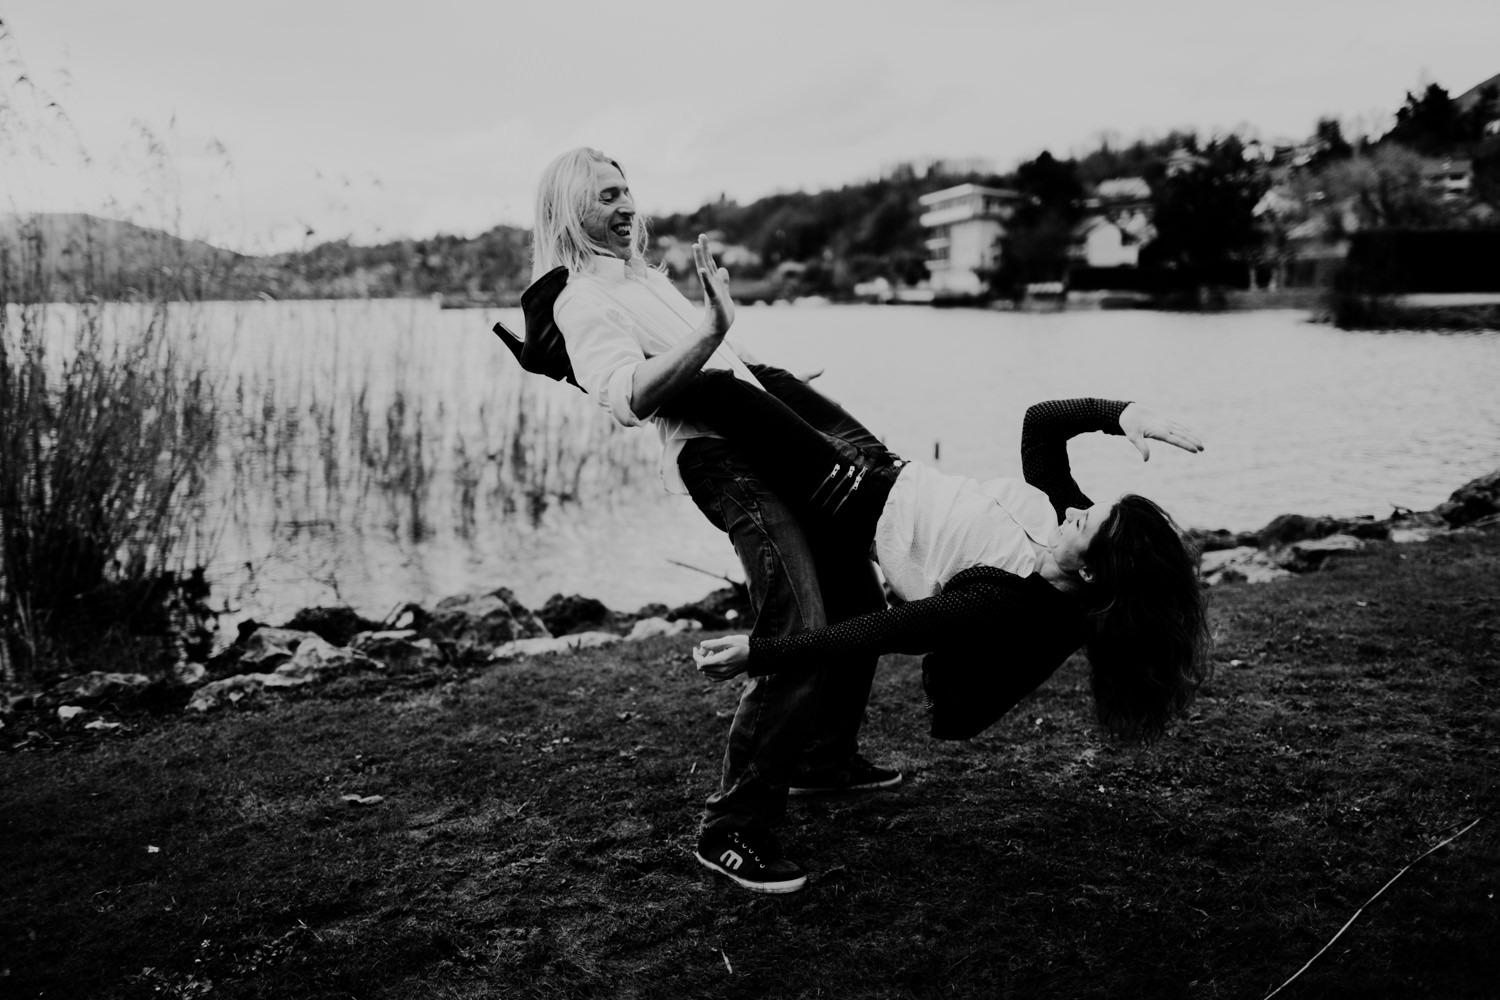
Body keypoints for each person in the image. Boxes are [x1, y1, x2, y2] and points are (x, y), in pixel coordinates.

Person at [528, 146, 902, 895]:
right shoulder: (580, 297)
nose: (628, 206)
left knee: (858, 600)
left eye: (629, 191)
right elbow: (624, 396)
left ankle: (824, 760)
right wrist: (707, 334)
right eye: (608, 196)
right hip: (724, 464)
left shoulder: (647, 280)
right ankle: (733, 829)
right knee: (795, 623)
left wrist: (773, 373)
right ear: (572, 208)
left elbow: (729, 359)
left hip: (775, 441)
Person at [685, 368, 1213, 744]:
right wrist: (1123, 414)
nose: (1081, 509)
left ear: (1093, 569)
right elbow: (1041, 423)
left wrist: (759, 652)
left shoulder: (1004, 602)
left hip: (851, 496)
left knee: (719, 391)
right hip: (884, 462)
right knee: (769, 377)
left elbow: (875, 632)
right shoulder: (1060, 519)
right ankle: (827, 765)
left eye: (1089, 520)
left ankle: (616, 381)